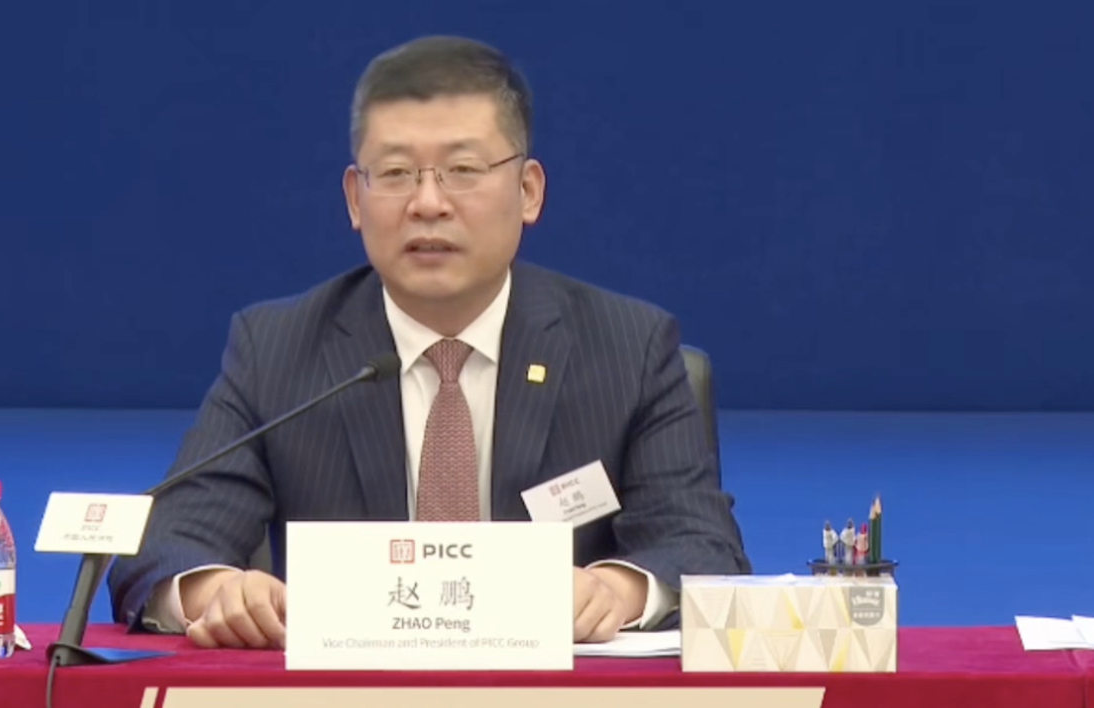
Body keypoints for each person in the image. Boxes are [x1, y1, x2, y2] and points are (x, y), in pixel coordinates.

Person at [107, 34, 750, 650]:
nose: (428, 203)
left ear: (528, 191)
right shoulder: (277, 349)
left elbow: (703, 546)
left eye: (463, 170)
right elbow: (163, 547)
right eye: (395, 173)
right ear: (355, 199)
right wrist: (217, 592)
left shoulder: (628, 347)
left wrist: (616, 590)